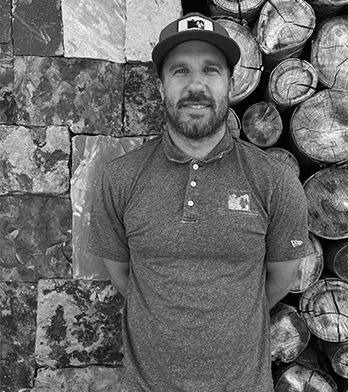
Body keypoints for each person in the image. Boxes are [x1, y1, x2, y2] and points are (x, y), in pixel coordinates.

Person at [87, 12, 308, 392]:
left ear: (231, 84)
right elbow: (124, 279)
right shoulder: (119, 178)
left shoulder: (275, 181)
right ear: (160, 87)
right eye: (180, 71)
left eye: (210, 70)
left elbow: (279, 281)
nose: (196, 85)